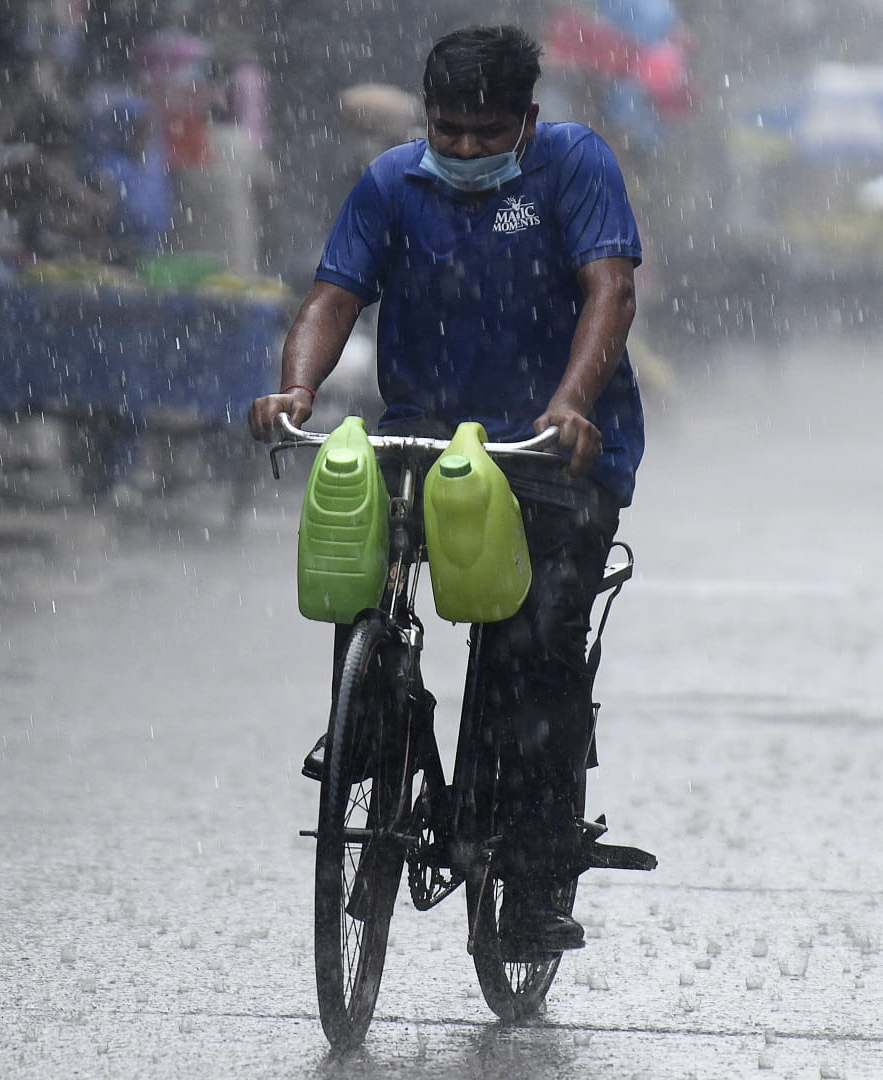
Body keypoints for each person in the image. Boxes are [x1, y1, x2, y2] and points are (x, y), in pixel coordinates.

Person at [248, 25, 645, 952]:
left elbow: (610, 291)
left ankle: (539, 873)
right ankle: (371, 719)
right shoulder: (392, 182)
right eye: (449, 130)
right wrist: (296, 388)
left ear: (528, 121)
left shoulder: (574, 166)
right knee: (358, 559)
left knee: (534, 643)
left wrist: (571, 403)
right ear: (427, 118)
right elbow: (332, 297)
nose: (464, 149)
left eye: (486, 132)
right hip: (423, 436)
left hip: (550, 451)